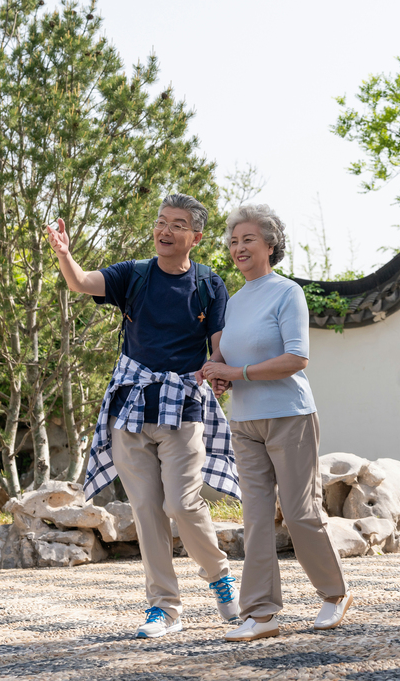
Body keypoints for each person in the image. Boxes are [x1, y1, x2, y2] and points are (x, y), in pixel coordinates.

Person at [45, 194, 242, 638]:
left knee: (182, 502)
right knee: (147, 510)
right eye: (160, 222)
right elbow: (79, 282)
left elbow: (218, 347)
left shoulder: (209, 284)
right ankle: (164, 608)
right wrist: (64, 253)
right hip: (131, 407)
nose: (165, 231)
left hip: (184, 406)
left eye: (177, 224)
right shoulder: (132, 274)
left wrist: (219, 373)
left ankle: (219, 576)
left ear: (196, 236)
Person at [198, 204, 350, 642]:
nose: (238, 247)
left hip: (290, 416)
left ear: (270, 245)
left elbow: (296, 358)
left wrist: (238, 374)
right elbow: (227, 355)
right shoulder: (233, 300)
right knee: (257, 518)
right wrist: (216, 370)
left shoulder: (287, 293)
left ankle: (334, 593)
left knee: (302, 513)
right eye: (232, 241)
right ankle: (262, 612)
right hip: (245, 421)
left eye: (247, 239)